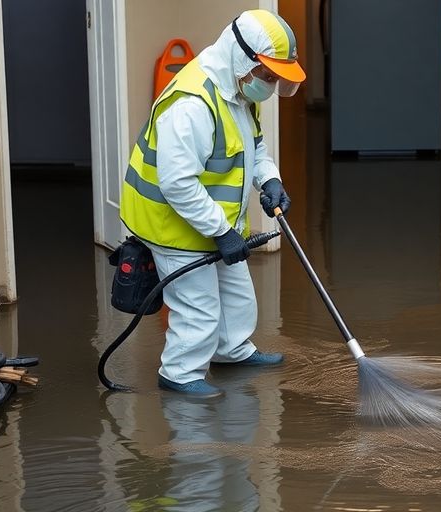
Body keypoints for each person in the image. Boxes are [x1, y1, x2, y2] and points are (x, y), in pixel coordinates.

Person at [120, 10, 305, 398]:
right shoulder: (192, 104)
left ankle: (231, 350)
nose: (270, 86)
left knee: (237, 293)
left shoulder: (238, 90)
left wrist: (269, 178)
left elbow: (254, 145)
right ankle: (180, 372)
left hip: (212, 220)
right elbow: (177, 183)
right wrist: (221, 231)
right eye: (268, 76)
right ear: (243, 57)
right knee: (197, 304)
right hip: (172, 222)